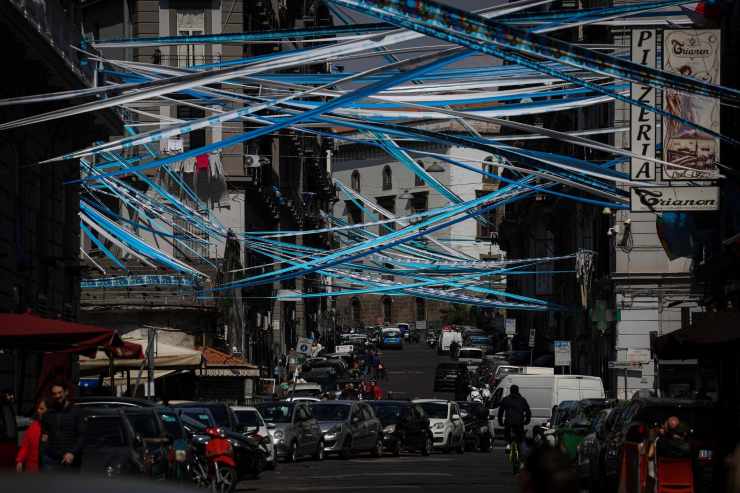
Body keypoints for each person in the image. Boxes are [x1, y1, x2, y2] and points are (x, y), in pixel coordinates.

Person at [41, 382, 84, 471]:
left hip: (70, 460)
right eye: (54, 394)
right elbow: (44, 435)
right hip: (51, 460)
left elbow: (82, 436)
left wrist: (72, 452)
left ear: (66, 392)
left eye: (60, 392)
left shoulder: (76, 412)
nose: (57, 396)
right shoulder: (48, 414)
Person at [16, 399, 48, 473]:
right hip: (31, 468)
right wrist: (20, 461)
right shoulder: (33, 427)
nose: (38, 411)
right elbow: (25, 446)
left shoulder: (54, 428)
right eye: (38, 408)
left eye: (41, 408)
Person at [497, 384, 532, 452]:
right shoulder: (522, 400)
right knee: (521, 436)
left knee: (507, 432)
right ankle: (523, 447)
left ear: (510, 391)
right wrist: (527, 420)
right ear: (518, 391)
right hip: (519, 421)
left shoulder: (506, 399)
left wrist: (500, 421)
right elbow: (528, 411)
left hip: (508, 421)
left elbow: (500, 412)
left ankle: (508, 445)